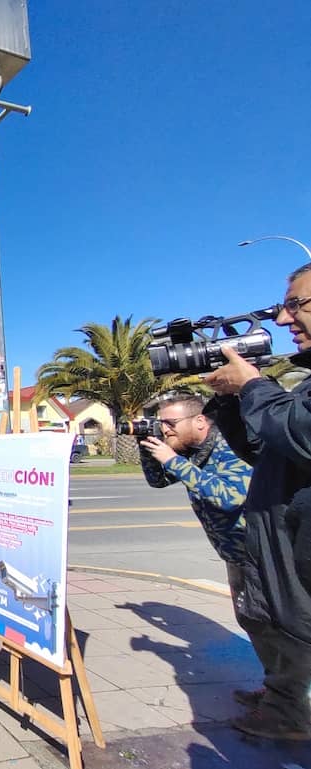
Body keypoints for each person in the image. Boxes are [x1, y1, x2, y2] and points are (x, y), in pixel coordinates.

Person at [204, 262, 311, 741]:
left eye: (296, 305)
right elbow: (269, 448)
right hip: (281, 563)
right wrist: (232, 399)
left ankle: (291, 711)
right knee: (277, 632)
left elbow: (301, 434)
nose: (284, 322)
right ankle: (284, 703)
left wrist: (251, 385)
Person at [137, 395, 252, 612]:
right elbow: (158, 481)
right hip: (235, 556)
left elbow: (230, 498)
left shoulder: (230, 447)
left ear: (199, 421)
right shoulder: (192, 453)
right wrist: (147, 447)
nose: (166, 430)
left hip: (262, 557)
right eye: (161, 424)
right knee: (251, 621)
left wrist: (173, 461)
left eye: (171, 423)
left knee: (274, 628)